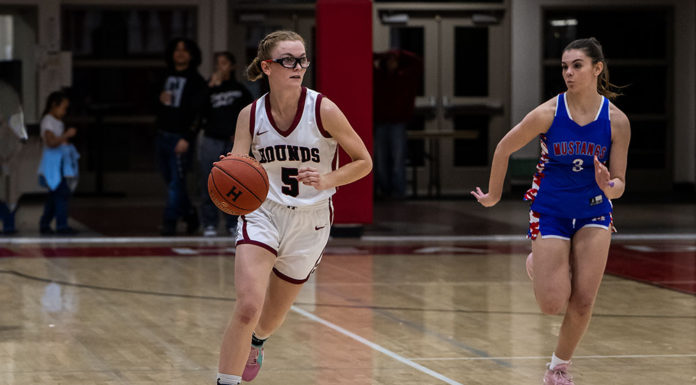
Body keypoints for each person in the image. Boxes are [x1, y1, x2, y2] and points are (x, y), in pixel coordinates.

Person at [215, 30, 372, 385]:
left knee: (270, 318)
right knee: (248, 307)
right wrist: (230, 174)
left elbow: (363, 161)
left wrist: (327, 179)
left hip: (311, 220)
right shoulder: (250, 115)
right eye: (288, 60)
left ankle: (257, 342)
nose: (298, 66)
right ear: (267, 66)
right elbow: (239, 161)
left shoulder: (324, 109)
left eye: (303, 59)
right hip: (262, 213)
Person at [472, 37, 630, 385]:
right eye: (564, 66)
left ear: (597, 69)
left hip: (594, 212)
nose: (569, 73)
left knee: (585, 299)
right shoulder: (548, 113)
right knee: (551, 303)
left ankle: (558, 368)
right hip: (551, 211)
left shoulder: (616, 120)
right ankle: (539, 263)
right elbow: (503, 148)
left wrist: (609, 186)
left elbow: (620, 183)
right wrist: (495, 195)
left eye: (577, 65)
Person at [155, 38, 207, 236]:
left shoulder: (196, 80)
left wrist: (187, 137)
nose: (180, 53)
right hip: (162, 135)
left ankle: (169, 222)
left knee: (177, 182)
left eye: (185, 50)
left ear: (192, 55)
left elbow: (199, 113)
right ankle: (190, 214)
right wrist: (158, 98)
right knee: (171, 182)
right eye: (177, 50)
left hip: (180, 137)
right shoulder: (163, 76)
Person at [198, 52, 253, 237]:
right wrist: (209, 87)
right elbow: (197, 110)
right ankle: (209, 223)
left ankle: (232, 222)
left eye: (224, 63)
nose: (220, 67)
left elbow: (249, 114)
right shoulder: (208, 88)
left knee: (233, 183)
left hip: (232, 141)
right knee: (209, 181)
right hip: (211, 139)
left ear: (232, 66)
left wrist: (241, 137)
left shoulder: (239, 89)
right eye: (218, 63)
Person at [373, 49, 422, 199]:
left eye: (394, 60)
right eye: (389, 60)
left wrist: (398, 53)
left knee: (398, 159)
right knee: (380, 160)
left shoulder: (404, 77)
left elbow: (416, 61)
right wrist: (384, 54)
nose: (391, 63)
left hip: (398, 123)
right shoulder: (379, 77)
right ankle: (384, 190)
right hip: (381, 122)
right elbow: (367, 59)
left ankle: (398, 192)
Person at [38, 91, 81, 235]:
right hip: (52, 165)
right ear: (54, 105)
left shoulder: (59, 122)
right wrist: (66, 136)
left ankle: (44, 224)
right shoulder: (48, 120)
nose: (64, 112)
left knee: (55, 195)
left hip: (61, 165)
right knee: (61, 194)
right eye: (63, 108)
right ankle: (61, 225)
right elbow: (50, 142)